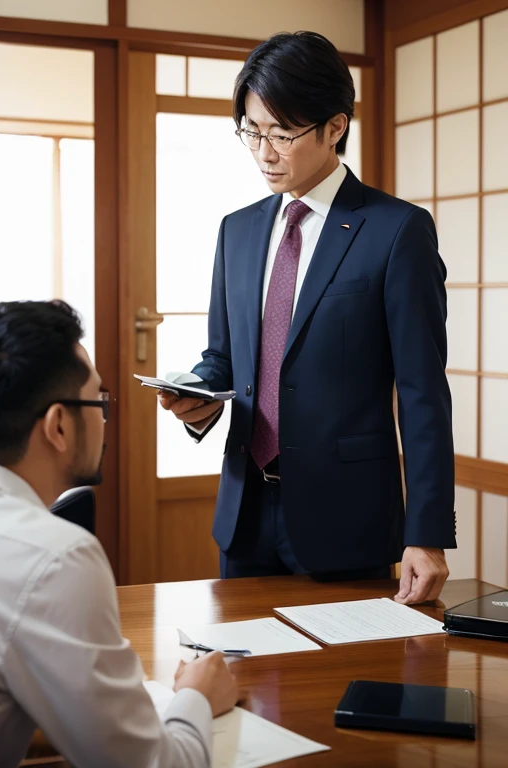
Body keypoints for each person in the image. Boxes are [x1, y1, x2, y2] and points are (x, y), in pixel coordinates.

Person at [160, 31, 456, 604]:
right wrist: (194, 397)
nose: (264, 152)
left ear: (335, 127)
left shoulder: (396, 231)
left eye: (281, 133)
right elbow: (223, 358)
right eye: (250, 131)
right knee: (241, 681)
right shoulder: (237, 230)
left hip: (348, 517)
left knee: (341, 686)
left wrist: (427, 533)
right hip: (244, 515)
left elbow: (423, 391)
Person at [0, 300, 238, 768]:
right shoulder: (55, 558)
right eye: (99, 402)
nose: (106, 419)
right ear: (59, 425)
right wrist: (197, 696)